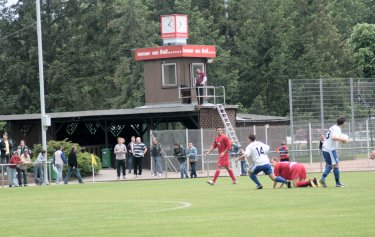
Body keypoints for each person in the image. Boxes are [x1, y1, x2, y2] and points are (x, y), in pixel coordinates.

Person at [320, 117, 347, 188]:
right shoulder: (337, 129)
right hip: (330, 149)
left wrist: (341, 139)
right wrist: (343, 139)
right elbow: (333, 137)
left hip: (326, 148)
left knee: (332, 165)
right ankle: (335, 182)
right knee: (334, 165)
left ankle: (326, 179)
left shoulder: (333, 127)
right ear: (343, 122)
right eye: (345, 122)